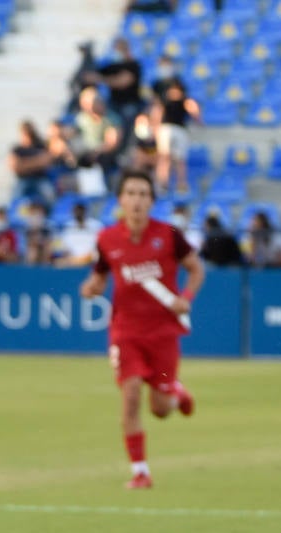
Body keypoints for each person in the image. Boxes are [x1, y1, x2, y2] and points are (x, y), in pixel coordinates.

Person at [79, 170, 204, 489]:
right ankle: (140, 472)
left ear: (151, 201)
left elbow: (195, 269)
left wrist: (185, 297)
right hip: (126, 332)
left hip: (163, 335)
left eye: (143, 194)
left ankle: (174, 391)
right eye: (131, 193)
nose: (136, 200)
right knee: (131, 393)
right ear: (120, 200)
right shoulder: (107, 239)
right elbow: (100, 276)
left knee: (160, 408)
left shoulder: (169, 236)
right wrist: (92, 287)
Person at [155, 77, 201, 196]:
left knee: (176, 159)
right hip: (169, 129)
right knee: (167, 158)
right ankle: (166, 184)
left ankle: (178, 185)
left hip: (176, 129)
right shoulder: (166, 100)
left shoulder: (183, 100)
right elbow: (158, 114)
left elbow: (194, 111)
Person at [54, 201, 103, 266]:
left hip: (91, 258)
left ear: (85, 211)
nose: (79, 213)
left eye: (81, 210)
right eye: (76, 210)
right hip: (72, 259)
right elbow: (63, 246)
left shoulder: (96, 225)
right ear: (73, 212)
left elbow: (100, 244)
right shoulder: (67, 227)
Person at [21, 201, 54, 265]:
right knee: (33, 251)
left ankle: (45, 268)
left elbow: (49, 241)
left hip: (42, 249)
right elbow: (27, 242)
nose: (37, 216)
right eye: (34, 213)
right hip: (30, 251)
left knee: (47, 248)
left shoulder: (47, 228)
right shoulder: (26, 228)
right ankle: (30, 270)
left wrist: (42, 241)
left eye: (39, 213)